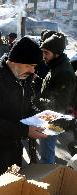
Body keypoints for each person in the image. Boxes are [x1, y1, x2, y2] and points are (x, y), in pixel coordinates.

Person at [0, 37, 47, 178]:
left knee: (13, 181)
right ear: (14, 62)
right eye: (29, 66)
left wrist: (40, 118)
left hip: (14, 144)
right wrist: (26, 130)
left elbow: (26, 103)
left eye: (34, 66)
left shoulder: (23, 77)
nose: (33, 71)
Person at [37, 33, 76, 164]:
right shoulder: (57, 65)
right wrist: (37, 81)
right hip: (49, 116)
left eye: (46, 53)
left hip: (55, 120)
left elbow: (59, 104)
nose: (43, 57)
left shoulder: (64, 71)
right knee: (46, 152)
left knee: (47, 156)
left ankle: (47, 181)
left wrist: (35, 100)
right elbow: (52, 88)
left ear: (57, 53)